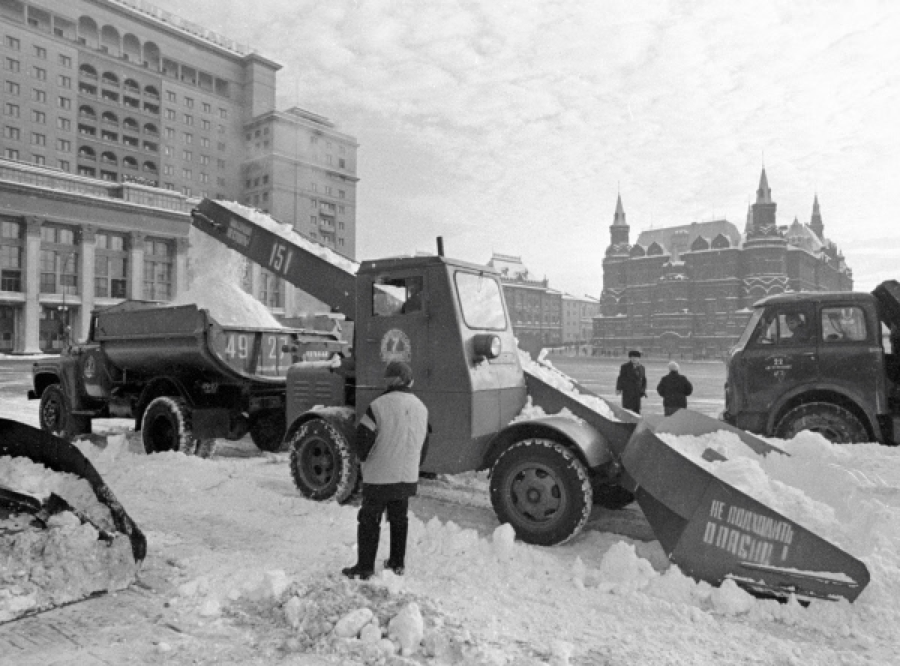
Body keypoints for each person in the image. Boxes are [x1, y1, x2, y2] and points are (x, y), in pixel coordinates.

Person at [342, 360, 430, 580]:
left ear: (388, 381)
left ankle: (364, 568)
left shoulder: (378, 406)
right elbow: (424, 445)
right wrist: (411, 466)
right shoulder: (421, 407)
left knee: (369, 520)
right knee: (400, 519)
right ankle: (396, 563)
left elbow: (363, 442)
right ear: (409, 381)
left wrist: (363, 460)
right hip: (406, 476)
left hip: (380, 477)